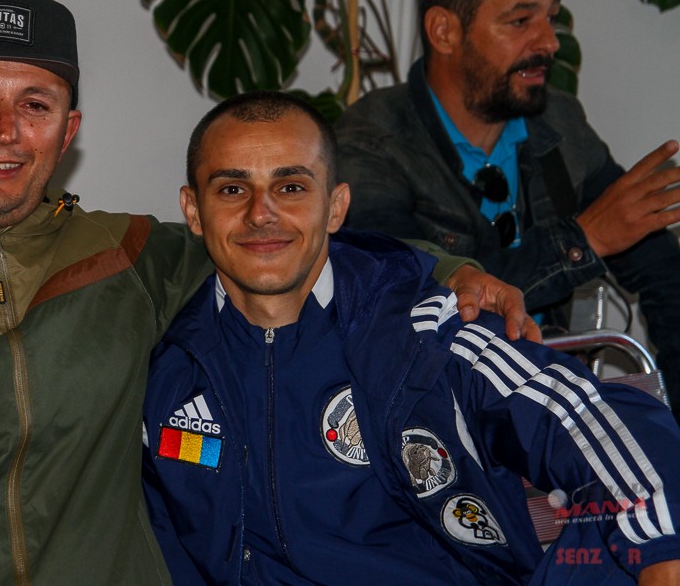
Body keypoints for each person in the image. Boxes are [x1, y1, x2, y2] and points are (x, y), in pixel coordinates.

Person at [0, 0, 535, 585]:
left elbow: (286, 237)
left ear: (70, 129)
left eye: (36, 103)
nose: (4, 130)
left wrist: (450, 268)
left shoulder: (133, 259)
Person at [142, 90, 680, 585]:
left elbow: (580, 415)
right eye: (232, 189)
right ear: (193, 211)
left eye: (291, 187)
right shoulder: (167, 365)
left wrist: (663, 553)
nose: (262, 213)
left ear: (336, 207)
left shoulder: (424, 327)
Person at [333, 0, 680, 422]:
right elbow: (417, 302)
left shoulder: (558, 123)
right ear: (444, 31)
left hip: (549, 408)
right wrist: (582, 241)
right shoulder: (371, 143)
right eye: (520, 21)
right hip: (432, 418)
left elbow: (664, 277)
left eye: (551, 18)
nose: (549, 43)